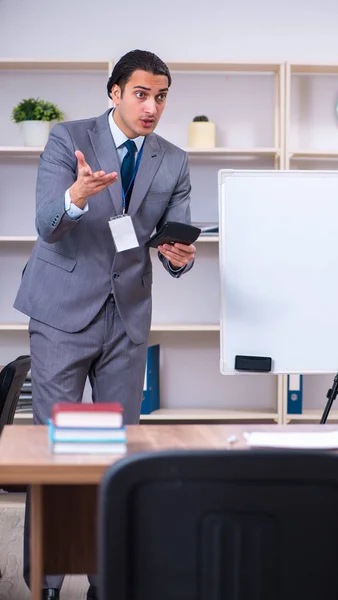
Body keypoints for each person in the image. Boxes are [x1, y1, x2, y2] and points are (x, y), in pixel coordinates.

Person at [14, 49, 196, 600]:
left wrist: (176, 257)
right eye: (141, 94)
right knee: (58, 452)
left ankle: (107, 583)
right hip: (62, 312)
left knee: (118, 455)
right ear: (114, 92)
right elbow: (47, 225)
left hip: (127, 316)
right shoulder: (67, 138)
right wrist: (75, 196)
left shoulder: (174, 159)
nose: (152, 107)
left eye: (161, 96)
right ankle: (43, 584)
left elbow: (172, 238)